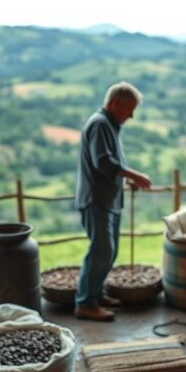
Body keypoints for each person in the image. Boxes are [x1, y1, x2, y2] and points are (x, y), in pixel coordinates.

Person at [74, 81, 152, 321]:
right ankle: (85, 302)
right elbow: (103, 162)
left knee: (109, 251)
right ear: (116, 103)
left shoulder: (108, 124)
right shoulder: (100, 124)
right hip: (97, 200)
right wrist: (133, 175)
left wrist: (122, 180)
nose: (131, 115)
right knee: (100, 251)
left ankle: (95, 295)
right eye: (129, 109)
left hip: (107, 200)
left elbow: (107, 167)